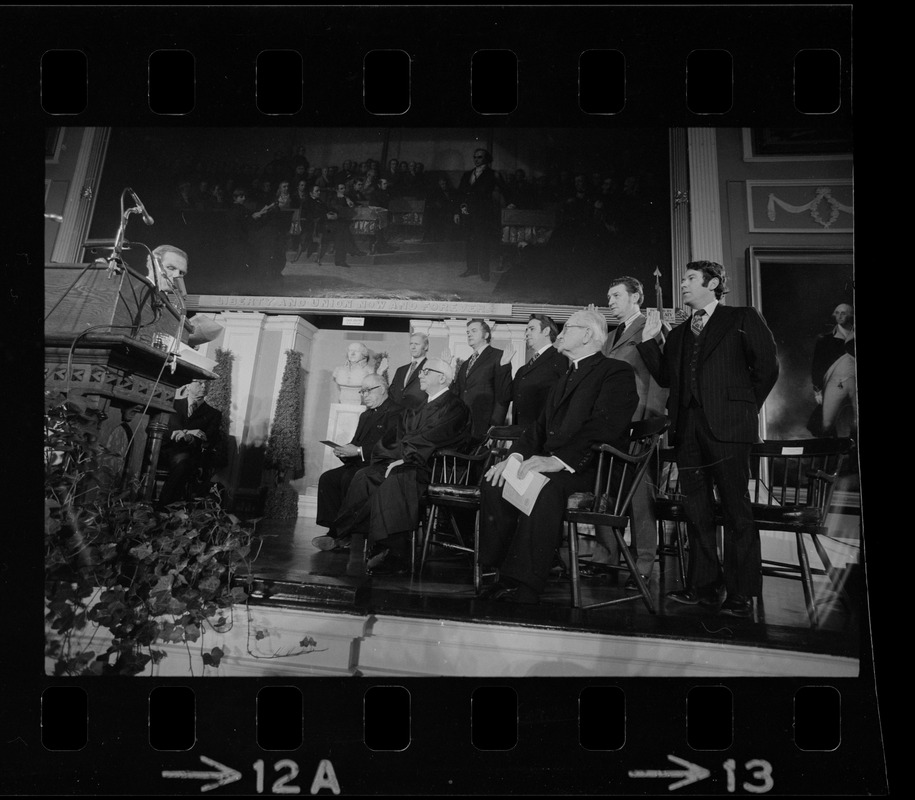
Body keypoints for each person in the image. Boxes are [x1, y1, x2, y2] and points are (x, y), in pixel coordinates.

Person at [637, 260, 779, 618]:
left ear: (713, 283)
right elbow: (667, 377)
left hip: (729, 429)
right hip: (688, 430)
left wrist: (742, 409)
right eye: (682, 279)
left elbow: (767, 368)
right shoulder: (682, 332)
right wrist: (648, 342)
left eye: (689, 279)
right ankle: (703, 585)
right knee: (696, 510)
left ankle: (740, 592)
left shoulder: (742, 317)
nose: (682, 285)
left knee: (736, 510)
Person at [478, 308, 639, 604]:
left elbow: (604, 427)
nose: (560, 334)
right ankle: (503, 573)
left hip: (590, 469)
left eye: (567, 329)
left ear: (588, 335)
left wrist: (558, 461)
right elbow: (537, 431)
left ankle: (525, 584)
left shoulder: (615, 372)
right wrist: (513, 458)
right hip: (557, 467)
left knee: (542, 487)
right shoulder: (566, 375)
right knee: (495, 480)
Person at [333, 359, 470, 577]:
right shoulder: (420, 406)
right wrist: (393, 457)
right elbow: (397, 436)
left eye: (426, 371)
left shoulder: (455, 407)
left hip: (431, 467)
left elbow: (433, 437)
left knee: (396, 478)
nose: (421, 375)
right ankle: (349, 536)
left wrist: (404, 458)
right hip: (408, 461)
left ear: (442, 378)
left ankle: (395, 554)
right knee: (365, 475)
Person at [602, 276, 669, 589]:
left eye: (616, 295)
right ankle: (609, 557)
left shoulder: (650, 326)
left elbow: (660, 377)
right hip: (612, 425)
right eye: (609, 296)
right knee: (610, 494)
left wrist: (652, 422)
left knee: (640, 498)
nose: (611, 301)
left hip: (639, 425)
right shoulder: (613, 334)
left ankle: (643, 564)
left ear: (636, 297)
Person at [311, 374, 402, 552]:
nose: (364, 395)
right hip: (359, 464)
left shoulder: (396, 412)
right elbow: (355, 443)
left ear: (382, 389)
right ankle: (337, 532)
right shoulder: (365, 415)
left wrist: (358, 451)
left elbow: (390, 446)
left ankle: (338, 534)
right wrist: (344, 452)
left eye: (368, 390)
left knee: (349, 478)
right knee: (328, 479)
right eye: (362, 391)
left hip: (380, 466)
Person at [158, 379, 222, 506]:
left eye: (206, 384)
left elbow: (209, 437)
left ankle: (164, 506)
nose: (204, 386)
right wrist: (189, 432)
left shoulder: (214, 414)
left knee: (183, 462)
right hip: (165, 450)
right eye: (199, 382)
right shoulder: (172, 404)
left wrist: (190, 437)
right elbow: (162, 427)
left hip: (191, 454)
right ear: (187, 385)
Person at [453, 319, 511, 444]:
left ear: (486, 335)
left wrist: (495, 427)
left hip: (485, 426)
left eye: (474, 331)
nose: (469, 334)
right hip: (463, 426)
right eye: (467, 332)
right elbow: (458, 393)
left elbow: (503, 395)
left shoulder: (499, 356)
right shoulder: (465, 364)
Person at [504, 314, 567, 427]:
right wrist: (504, 366)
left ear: (546, 331)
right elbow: (506, 396)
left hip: (542, 435)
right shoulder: (523, 370)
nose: (527, 333)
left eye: (532, 329)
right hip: (521, 434)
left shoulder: (560, 359)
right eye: (526, 330)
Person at [455, 148, 504, 281]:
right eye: (475, 157)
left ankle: (484, 272)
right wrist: (459, 210)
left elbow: (504, 191)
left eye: (480, 157)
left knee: (483, 242)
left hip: (483, 215)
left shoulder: (493, 174)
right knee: (469, 241)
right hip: (467, 214)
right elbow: (460, 194)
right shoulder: (467, 174)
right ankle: (471, 269)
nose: (476, 159)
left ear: (486, 159)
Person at [811, 303, 856, 438]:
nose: (839, 316)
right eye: (837, 313)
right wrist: (818, 390)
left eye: (843, 313)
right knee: (826, 423)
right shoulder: (825, 340)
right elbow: (817, 366)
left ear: (851, 315)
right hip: (835, 383)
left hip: (855, 383)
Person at [389, 332, 429, 411]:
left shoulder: (429, 368)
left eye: (417, 344)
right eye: (411, 344)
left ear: (426, 347)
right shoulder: (400, 370)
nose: (413, 347)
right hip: (397, 416)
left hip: (417, 417)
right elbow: (392, 394)